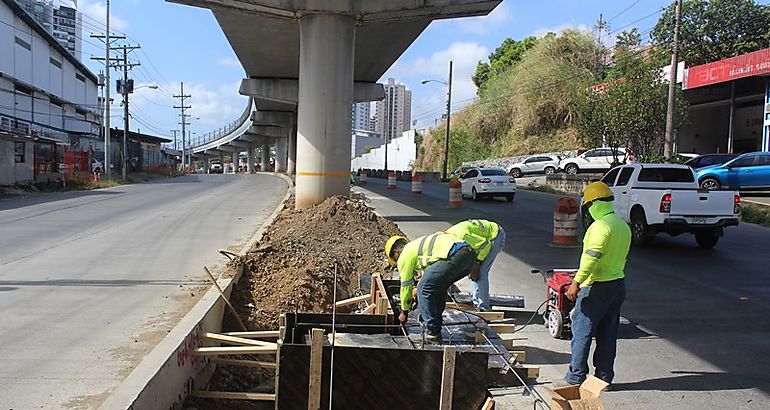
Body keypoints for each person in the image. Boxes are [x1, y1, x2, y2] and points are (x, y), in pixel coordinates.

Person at [559, 181, 631, 387]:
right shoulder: (622, 225)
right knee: (608, 334)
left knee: (582, 332)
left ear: (593, 204)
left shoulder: (600, 227)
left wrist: (576, 282)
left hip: (596, 287)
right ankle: (603, 377)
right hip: (617, 284)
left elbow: (591, 258)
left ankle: (575, 377)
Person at [384, 233, 477, 341]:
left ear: (396, 253)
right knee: (439, 288)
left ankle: (432, 330)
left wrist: (404, 311)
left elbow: (405, 286)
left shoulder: (404, 255)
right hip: (469, 256)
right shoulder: (418, 248)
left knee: (423, 289)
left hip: (455, 255)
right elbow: (431, 277)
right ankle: (435, 324)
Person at [445, 219, 505, 311]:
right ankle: (476, 301)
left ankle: (483, 307)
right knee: (471, 271)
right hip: (481, 241)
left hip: (494, 236)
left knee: (480, 272)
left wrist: (478, 262)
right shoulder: (449, 238)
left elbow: (486, 245)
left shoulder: (462, 236)